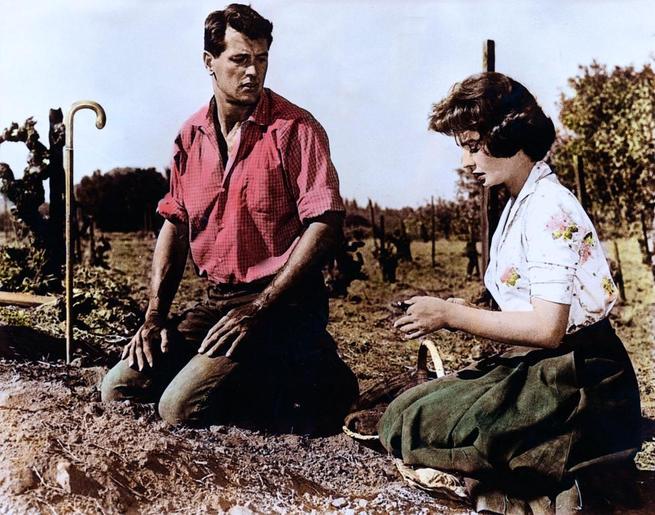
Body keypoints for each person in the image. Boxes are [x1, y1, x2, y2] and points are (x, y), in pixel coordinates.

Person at [379, 72, 641, 510]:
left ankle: (563, 471)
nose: (465, 162)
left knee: (413, 423)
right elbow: (530, 305)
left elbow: (547, 328)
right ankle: (536, 463)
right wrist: (459, 308)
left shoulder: (546, 207)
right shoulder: (523, 197)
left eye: (471, 145)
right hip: (544, 365)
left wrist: (449, 315)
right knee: (406, 411)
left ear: (508, 136)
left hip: (579, 379)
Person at [101, 4, 358, 435]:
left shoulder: (296, 129)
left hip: (283, 304)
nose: (253, 72)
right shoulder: (189, 136)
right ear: (210, 62)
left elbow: (325, 222)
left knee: (180, 409)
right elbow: (175, 225)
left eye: (262, 59)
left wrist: (261, 306)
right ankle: (269, 370)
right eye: (240, 59)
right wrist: (154, 317)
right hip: (219, 303)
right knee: (119, 387)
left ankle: (312, 375)